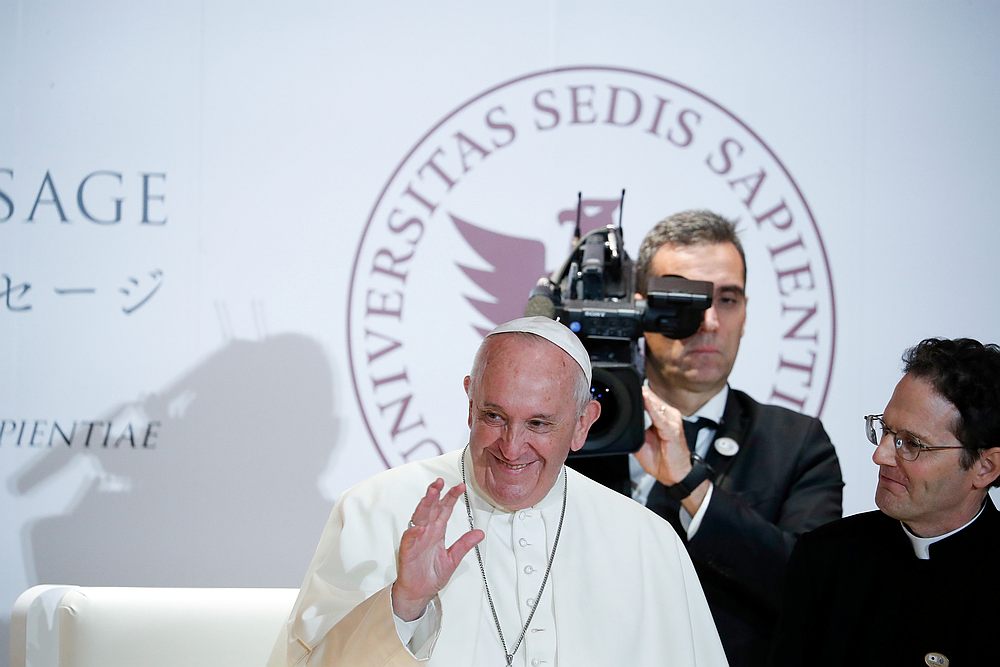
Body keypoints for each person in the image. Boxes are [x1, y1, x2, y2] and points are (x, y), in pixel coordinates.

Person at [268, 316, 728, 667]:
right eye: (494, 416)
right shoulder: (375, 508)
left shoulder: (647, 540)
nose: (512, 448)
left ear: (582, 424)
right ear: (470, 402)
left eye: (539, 424)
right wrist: (404, 604)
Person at [575, 210, 843, 667]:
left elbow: (813, 591)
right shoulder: (579, 431)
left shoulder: (796, 444)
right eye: (684, 301)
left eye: (728, 300)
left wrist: (692, 486)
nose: (710, 323)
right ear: (638, 309)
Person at [769, 337, 1000, 667]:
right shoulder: (826, 557)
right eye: (886, 430)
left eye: (913, 444)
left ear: (985, 467)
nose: (881, 455)